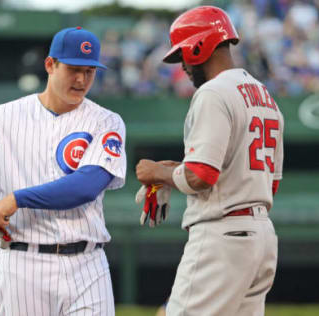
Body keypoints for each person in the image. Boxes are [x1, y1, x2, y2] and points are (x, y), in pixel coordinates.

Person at [0, 27, 127, 316]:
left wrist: (17, 198)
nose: (81, 79)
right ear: (50, 65)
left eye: (90, 71)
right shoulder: (2, 117)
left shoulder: (107, 121)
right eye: (73, 69)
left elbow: (87, 185)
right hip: (23, 264)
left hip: (87, 265)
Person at [135, 6, 284, 316]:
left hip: (222, 236)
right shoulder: (264, 95)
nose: (185, 67)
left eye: (184, 56)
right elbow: (272, 183)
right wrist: (173, 171)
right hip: (262, 238)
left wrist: (157, 173)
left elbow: (202, 175)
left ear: (199, 46)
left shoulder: (213, 93)